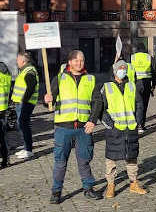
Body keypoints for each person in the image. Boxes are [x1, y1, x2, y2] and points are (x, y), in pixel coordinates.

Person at [45, 50, 104, 203]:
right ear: (69, 62)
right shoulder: (59, 78)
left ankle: (88, 188)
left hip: (84, 128)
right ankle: (56, 192)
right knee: (60, 161)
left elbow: (97, 102)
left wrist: (92, 121)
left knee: (84, 160)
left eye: (82, 60)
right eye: (76, 60)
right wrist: (46, 99)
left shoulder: (91, 79)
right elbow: (49, 102)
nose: (79, 63)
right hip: (63, 127)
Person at [92, 60, 148, 198]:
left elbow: (139, 104)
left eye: (124, 68)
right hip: (114, 129)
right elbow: (100, 107)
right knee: (111, 158)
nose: (123, 70)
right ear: (115, 70)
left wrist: (138, 121)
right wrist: (109, 124)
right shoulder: (106, 87)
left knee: (132, 157)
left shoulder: (131, 86)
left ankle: (133, 183)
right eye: (120, 68)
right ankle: (111, 185)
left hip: (130, 128)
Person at [12, 51, 39, 160]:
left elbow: (30, 88)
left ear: (23, 61)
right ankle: (26, 147)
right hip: (22, 103)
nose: (16, 62)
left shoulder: (29, 71)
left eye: (18, 60)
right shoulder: (24, 70)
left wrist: (24, 100)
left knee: (24, 125)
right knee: (22, 125)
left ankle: (28, 149)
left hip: (26, 103)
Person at [130, 43, 156, 133]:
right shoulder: (149, 57)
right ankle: (142, 124)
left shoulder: (132, 57)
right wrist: (153, 86)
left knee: (136, 104)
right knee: (144, 104)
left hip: (135, 83)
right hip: (146, 83)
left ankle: (137, 124)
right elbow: (154, 72)